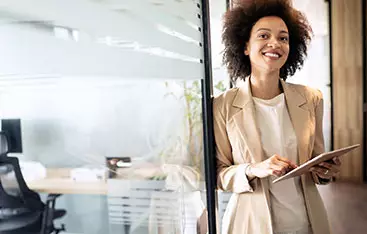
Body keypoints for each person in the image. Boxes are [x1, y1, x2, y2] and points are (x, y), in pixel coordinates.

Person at [213, 0, 341, 234]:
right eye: (264, 35)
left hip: (307, 223)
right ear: (245, 46)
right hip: (250, 224)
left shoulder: (311, 98)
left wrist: (325, 171)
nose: (275, 43)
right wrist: (254, 169)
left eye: (283, 38)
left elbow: (317, 163)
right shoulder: (223, 105)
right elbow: (219, 174)